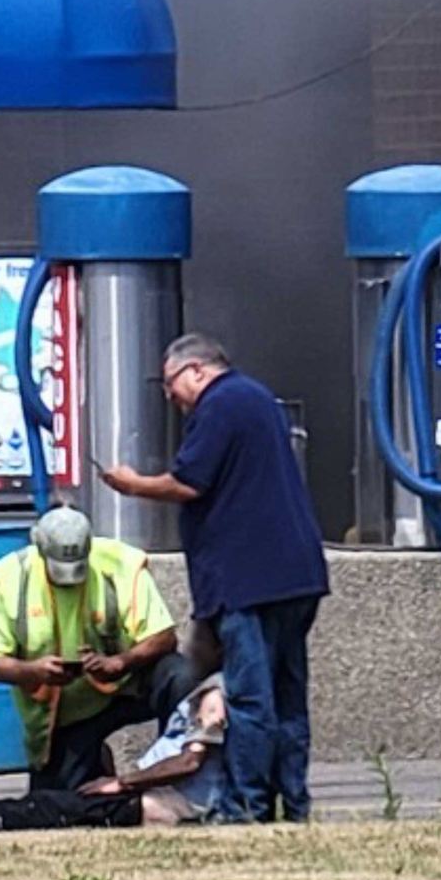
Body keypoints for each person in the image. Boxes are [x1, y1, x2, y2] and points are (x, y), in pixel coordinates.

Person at [103, 333, 329, 825]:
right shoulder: (259, 400)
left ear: (198, 371)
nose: (171, 397)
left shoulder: (219, 404)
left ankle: (244, 807)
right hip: (298, 575)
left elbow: (189, 481)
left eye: (171, 383)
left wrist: (131, 485)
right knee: (288, 696)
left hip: (249, 580)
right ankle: (294, 803)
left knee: (248, 697)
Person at [0, 624, 227, 833]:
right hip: (135, 795)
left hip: (150, 805)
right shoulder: (210, 690)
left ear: (220, 648)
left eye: (199, 639)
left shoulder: (215, 696)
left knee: (34, 813)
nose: (190, 647)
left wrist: (121, 782)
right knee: (37, 807)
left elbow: (189, 762)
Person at [0, 505, 195, 793]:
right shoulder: (9, 577)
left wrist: (120, 662)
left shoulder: (118, 564)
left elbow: (165, 637)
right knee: (62, 801)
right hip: (69, 712)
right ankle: (97, 763)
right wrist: (34, 670)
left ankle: (176, 774)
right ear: (39, 549)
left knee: (180, 675)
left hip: (128, 685)